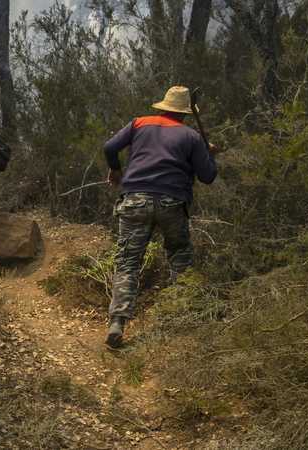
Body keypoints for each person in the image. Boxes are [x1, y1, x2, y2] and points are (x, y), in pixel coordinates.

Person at [103, 86, 222, 348]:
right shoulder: (191, 136)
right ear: (185, 113)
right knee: (180, 257)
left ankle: (117, 323)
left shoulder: (139, 123)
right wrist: (209, 155)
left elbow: (110, 147)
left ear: (164, 106)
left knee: (127, 263)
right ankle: (184, 319)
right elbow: (208, 177)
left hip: (135, 200)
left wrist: (116, 170)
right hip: (172, 203)